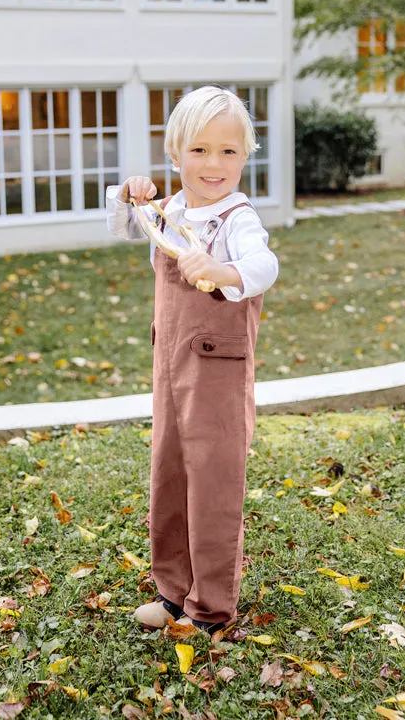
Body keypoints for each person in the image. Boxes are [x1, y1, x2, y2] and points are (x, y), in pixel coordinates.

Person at [106, 85, 278, 635]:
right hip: (170, 362)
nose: (213, 164)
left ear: (245, 156)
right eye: (199, 150)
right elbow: (126, 225)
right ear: (175, 154)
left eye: (229, 151)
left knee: (213, 481)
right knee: (171, 470)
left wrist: (225, 271)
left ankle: (210, 606)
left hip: (218, 370)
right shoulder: (173, 209)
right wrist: (131, 195)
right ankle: (173, 590)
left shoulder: (236, 219)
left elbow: (263, 265)